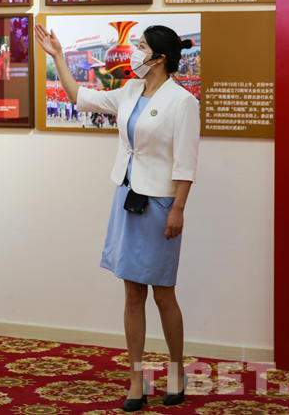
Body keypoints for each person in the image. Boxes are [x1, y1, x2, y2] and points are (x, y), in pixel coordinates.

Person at [35, 23, 200, 412]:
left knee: (163, 293)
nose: (134, 52)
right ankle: (136, 378)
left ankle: (176, 370)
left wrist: (178, 209)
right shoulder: (129, 90)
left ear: (158, 58)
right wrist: (59, 57)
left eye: (140, 46)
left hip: (161, 205)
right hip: (127, 198)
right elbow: (80, 96)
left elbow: (186, 163)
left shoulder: (182, 101)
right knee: (132, 293)